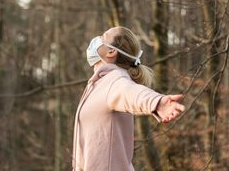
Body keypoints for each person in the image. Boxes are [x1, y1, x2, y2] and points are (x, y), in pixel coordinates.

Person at [72, 26, 185, 171]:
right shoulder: (98, 84)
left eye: (103, 36)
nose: (97, 39)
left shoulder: (115, 81)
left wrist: (157, 102)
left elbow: (132, 93)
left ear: (111, 51)